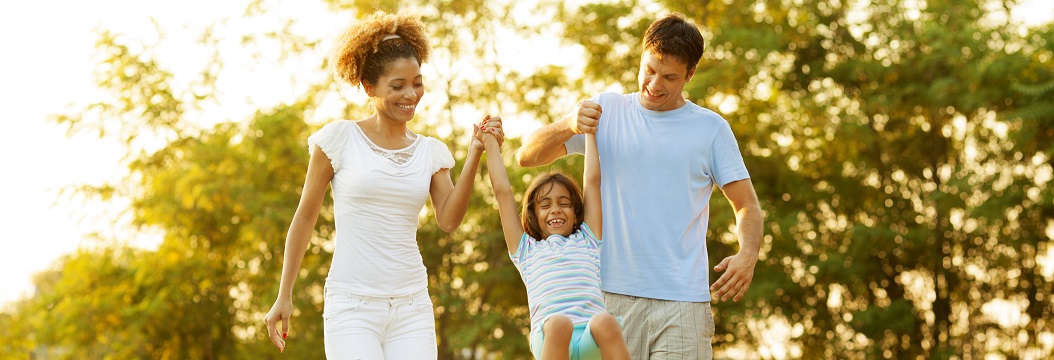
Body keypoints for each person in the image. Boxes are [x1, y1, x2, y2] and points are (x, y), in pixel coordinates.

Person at [517, 12, 765, 359]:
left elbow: (747, 205)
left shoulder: (711, 129)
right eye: (649, 70)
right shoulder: (608, 110)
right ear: (642, 56)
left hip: (683, 304)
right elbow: (527, 155)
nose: (654, 84)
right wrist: (568, 124)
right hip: (606, 300)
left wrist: (748, 254)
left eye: (669, 77)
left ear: (689, 74)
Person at [261, 11, 503, 358]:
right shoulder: (339, 138)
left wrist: (475, 153)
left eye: (417, 82)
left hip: (412, 306)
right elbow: (305, 216)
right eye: (398, 85)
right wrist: (285, 293)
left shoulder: (430, 151)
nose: (411, 94)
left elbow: (449, 219)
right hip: (352, 307)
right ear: (368, 88)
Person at [478, 118, 629, 359]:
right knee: (559, 323)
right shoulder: (526, 250)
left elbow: (592, 181)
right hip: (551, 338)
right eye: (545, 205)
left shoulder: (588, 240)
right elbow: (503, 193)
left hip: (590, 340)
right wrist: (490, 144)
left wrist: (588, 131)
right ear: (534, 216)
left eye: (564, 203)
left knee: (605, 321)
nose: (556, 210)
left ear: (576, 212)